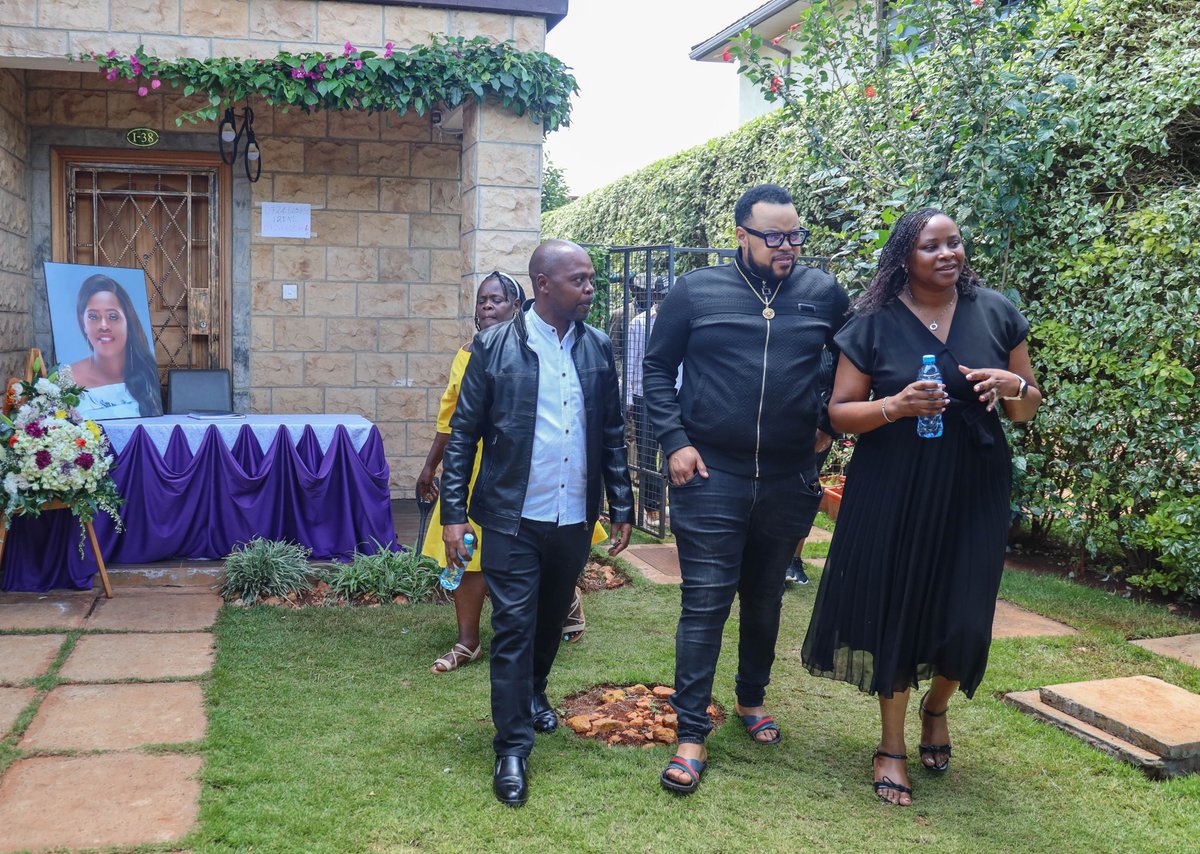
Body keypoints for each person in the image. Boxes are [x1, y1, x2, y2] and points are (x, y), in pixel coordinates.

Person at [801, 208, 1042, 806]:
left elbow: (1025, 409)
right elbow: (840, 413)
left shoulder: (996, 311)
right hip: (895, 482)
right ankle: (891, 746)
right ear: (904, 257)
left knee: (965, 613)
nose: (947, 253)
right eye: (931, 246)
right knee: (898, 608)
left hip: (973, 484)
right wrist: (897, 406)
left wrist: (1014, 387)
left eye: (954, 242)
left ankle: (936, 707)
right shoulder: (873, 321)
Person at [642, 184, 849, 794]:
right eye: (774, 236)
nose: (788, 247)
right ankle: (690, 732)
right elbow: (656, 368)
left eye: (795, 236)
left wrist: (828, 422)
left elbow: (852, 363)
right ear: (741, 234)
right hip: (711, 475)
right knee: (705, 602)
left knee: (765, 597)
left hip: (789, 476)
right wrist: (675, 441)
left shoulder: (823, 293)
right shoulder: (696, 291)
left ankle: (751, 698)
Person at [440, 240, 633, 807]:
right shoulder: (493, 346)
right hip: (511, 517)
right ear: (543, 284)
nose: (590, 289)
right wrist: (453, 515)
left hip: (573, 515)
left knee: (551, 619)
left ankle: (535, 692)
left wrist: (621, 502)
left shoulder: (597, 346)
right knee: (515, 626)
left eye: (592, 279)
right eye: (579, 280)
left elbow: (611, 431)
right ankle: (511, 748)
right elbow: (463, 436)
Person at [418, 272, 606, 674]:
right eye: (482, 300)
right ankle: (467, 641)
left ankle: (561, 607)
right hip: (474, 474)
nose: (487, 306)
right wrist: (430, 466)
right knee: (466, 558)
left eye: (497, 299)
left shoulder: (545, 350)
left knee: (543, 550)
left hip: (521, 473)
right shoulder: (466, 354)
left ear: (517, 306)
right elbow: (451, 422)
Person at [67, 274, 161, 419]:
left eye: (113, 317)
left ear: (128, 322)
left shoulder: (147, 373)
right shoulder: (68, 378)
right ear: (83, 323)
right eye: (93, 317)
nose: (103, 326)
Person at [785, 348, 836, 585]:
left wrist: (828, 428)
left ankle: (793, 559)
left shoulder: (833, 347)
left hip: (816, 429)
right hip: (781, 421)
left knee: (806, 489)